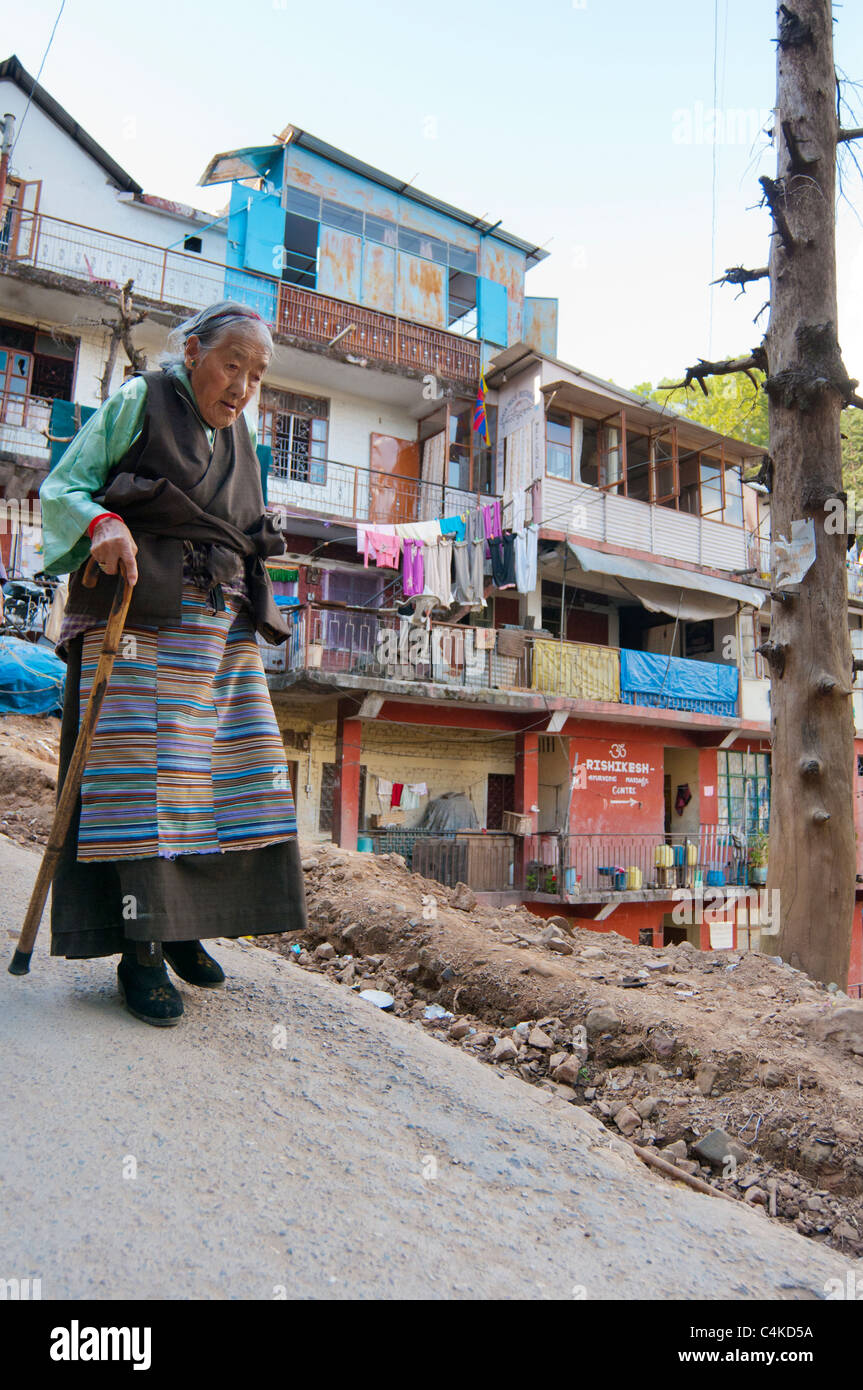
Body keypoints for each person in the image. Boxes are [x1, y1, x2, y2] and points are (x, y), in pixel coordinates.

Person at [39, 300, 307, 1027]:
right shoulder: (142, 398)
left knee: (223, 778)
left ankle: (185, 922)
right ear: (192, 352)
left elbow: (243, 523)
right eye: (232, 364)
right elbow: (62, 487)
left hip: (218, 624)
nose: (243, 386)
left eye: (255, 375)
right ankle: (141, 948)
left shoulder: (241, 434)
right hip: (140, 614)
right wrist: (102, 523)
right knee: (144, 785)